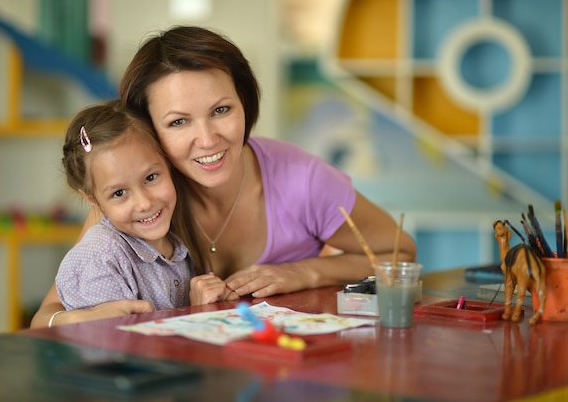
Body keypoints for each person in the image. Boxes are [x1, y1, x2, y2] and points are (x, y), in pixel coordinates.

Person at [31, 26, 416, 328]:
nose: (208, 139)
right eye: (179, 121)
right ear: (148, 130)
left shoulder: (302, 178)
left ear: (244, 103)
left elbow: (399, 255)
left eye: (221, 110)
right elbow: (47, 314)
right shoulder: (136, 198)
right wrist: (71, 319)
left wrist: (303, 272)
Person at [52, 100, 227, 322]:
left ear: (168, 164)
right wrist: (197, 315)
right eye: (119, 193)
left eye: (151, 178)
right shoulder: (99, 259)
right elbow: (121, 349)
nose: (144, 203)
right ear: (93, 200)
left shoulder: (177, 240)